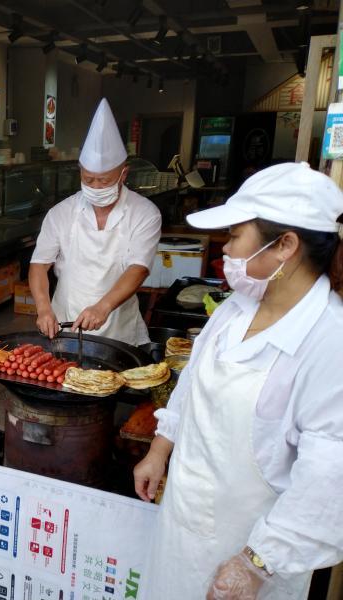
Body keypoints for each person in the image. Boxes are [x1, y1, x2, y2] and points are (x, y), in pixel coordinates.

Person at [133, 162, 343, 599]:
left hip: (252, 558)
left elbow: (328, 477)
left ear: (285, 245)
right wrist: (159, 449)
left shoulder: (328, 341)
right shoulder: (239, 306)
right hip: (182, 523)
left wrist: (256, 564)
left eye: (234, 236)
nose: (225, 250)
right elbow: (192, 380)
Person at [29, 98, 161, 346]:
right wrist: (44, 309)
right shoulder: (61, 213)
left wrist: (103, 307)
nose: (96, 187)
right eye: (89, 180)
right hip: (65, 323)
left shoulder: (145, 213)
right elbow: (39, 265)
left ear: (123, 174)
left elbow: (138, 268)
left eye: (104, 181)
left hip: (119, 327)